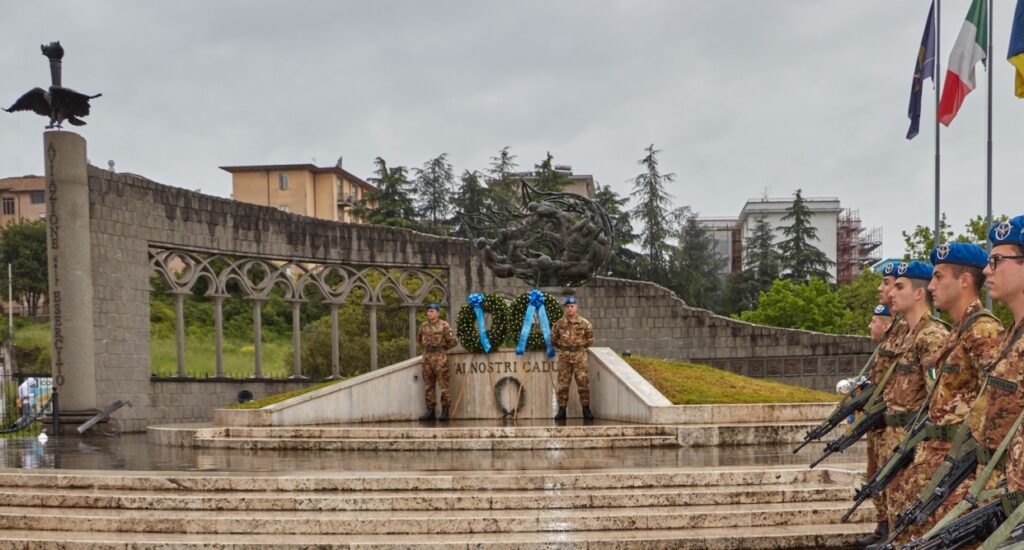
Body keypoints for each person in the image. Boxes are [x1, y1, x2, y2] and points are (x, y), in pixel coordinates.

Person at [877, 243, 1003, 545]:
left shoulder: (982, 331)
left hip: (962, 472)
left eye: (938, 277)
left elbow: (994, 408)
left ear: (964, 280)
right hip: (939, 464)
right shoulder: (959, 331)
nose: (931, 286)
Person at [878, 260, 949, 547]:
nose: (891, 293)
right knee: (896, 514)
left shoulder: (931, 336)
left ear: (919, 293)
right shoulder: (906, 333)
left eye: (899, 287)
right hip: (896, 439)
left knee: (911, 524)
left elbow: (936, 397)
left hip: (914, 445)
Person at [858, 262, 911, 548]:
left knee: (897, 485)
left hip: (901, 429)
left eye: (891, 283)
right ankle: (885, 528)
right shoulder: (901, 333)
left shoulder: (921, 334)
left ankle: (891, 531)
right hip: (885, 424)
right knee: (880, 478)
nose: (883, 289)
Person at [551, 295, 594, 421]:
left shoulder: (584, 323)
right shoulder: (559, 324)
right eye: (568, 306)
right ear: (565, 308)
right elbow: (553, 339)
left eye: (572, 306)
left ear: (576, 307)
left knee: (583, 384)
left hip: (580, 358)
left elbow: (590, 340)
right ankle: (561, 410)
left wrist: (578, 348)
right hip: (564, 358)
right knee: (563, 385)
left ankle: (586, 410)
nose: (570, 309)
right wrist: (565, 348)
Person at [417, 303, 457, 422]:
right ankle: (430, 410)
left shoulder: (444, 325)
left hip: (440, 358)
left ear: (438, 313)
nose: (429, 313)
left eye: (432, 311)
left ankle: (445, 410)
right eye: (428, 311)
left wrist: (442, 349)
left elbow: (453, 341)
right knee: (428, 385)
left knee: (443, 385)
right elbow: (419, 340)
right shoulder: (423, 326)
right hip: (427, 358)